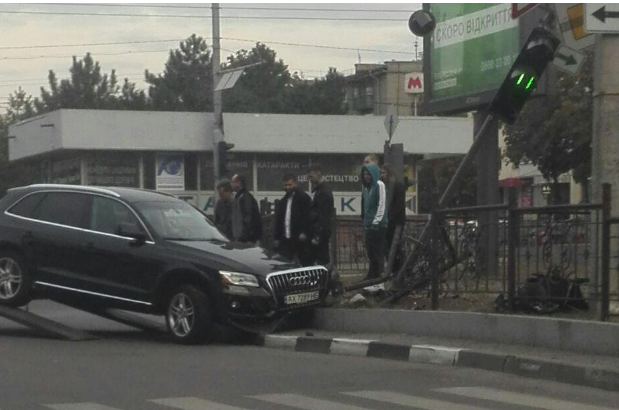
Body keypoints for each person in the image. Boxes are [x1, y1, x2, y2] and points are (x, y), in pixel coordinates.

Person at [273, 173, 312, 265]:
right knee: (284, 263)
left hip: (300, 238)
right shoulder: (283, 201)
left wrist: (305, 232)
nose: (288, 187)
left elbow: (308, 217)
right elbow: (279, 220)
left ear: (295, 184)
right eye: (285, 185)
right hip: (286, 238)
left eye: (290, 185)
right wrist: (277, 237)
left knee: (304, 263)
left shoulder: (304, 198)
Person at [361, 163, 388, 288]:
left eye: (368, 174)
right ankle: (371, 274)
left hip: (378, 225)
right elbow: (365, 205)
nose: (366, 176)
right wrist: (365, 221)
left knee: (378, 252)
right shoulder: (365, 187)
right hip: (368, 224)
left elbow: (381, 204)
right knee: (370, 251)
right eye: (365, 174)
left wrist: (376, 221)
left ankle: (378, 276)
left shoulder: (379, 185)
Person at [380, 163, 406, 274]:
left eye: (383, 173)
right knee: (388, 246)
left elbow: (398, 205)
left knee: (394, 246)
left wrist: (389, 218)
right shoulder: (384, 186)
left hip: (396, 222)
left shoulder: (397, 186)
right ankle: (394, 269)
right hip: (388, 221)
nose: (382, 175)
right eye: (381, 173)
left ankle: (398, 269)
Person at [306, 164, 334, 266]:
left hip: (320, 232)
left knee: (321, 259)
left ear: (319, 174)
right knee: (318, 259)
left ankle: (326, 280)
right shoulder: (319, 190)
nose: (309, 179)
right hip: (319, 231)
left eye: (311, 177)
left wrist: (317, 235)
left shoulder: (323, 192)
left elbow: (323, 215)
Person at [230, 174, 262, 244]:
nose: (231, 184)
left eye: (232, 182)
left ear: (238, 183)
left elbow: (248, 219)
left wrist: (243, 237)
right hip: (241, 238)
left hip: (246, 239)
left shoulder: (244, 198)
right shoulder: (239, 197)